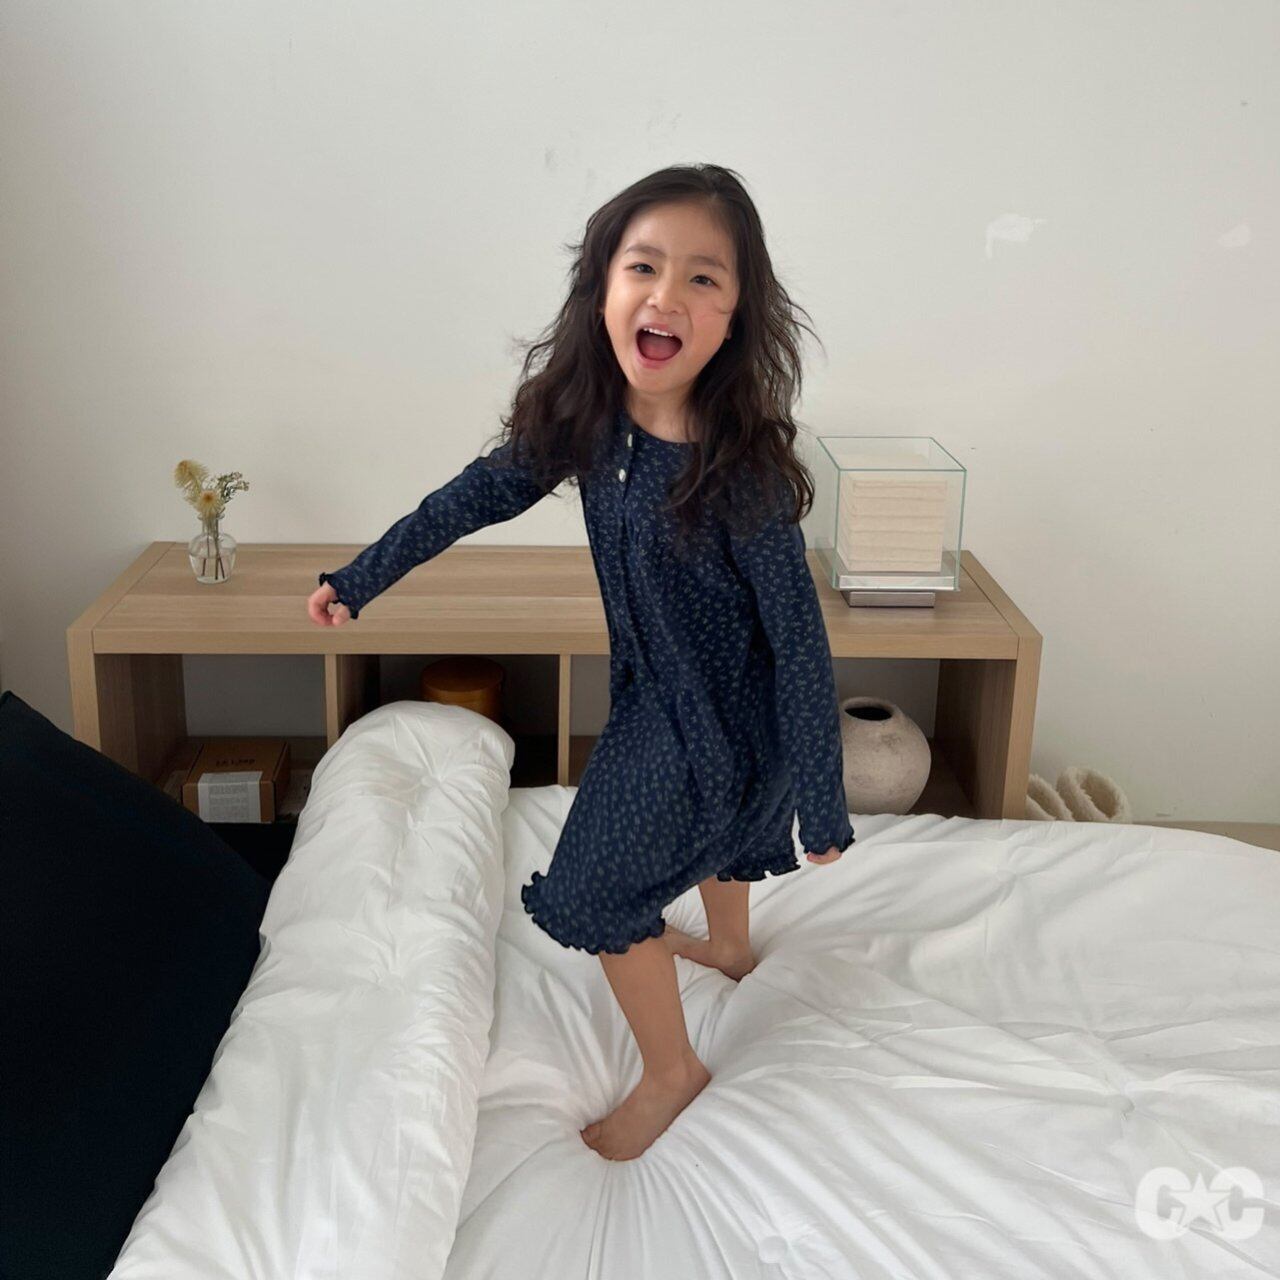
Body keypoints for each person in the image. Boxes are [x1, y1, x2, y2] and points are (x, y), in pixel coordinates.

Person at [306, 164, 854, 1162]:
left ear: (735, 315)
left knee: (596, 889)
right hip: (655, 696)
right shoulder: (590, 426)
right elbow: (469, 497)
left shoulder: (743, 477)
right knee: (694, 838)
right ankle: (730, 946)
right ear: (601, 286)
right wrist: (361, 577)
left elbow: (800, 645)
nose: (665, 295)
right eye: (643, 266)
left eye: (702, 277)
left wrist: (821, 795)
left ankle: (672, 1071)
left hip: (729, 729)